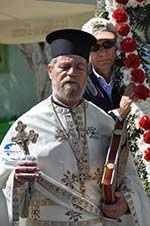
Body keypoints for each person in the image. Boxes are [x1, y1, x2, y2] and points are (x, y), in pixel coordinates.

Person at [0, 29, 149, 226]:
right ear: (50, 71)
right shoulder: (25, 127)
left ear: (87, 72)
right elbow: (4, 177)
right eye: (65, 67)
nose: (72, 73)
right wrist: (15, 181)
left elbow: (129, 178)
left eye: (79, 67)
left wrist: (125, 203)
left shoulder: (106, 124)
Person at [82, 17, 136, 120]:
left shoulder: (132, 73)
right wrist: (120, 112)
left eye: (108, 44)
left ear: (116, 46)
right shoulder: (80, 83)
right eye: (94, 47)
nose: (102, 53)